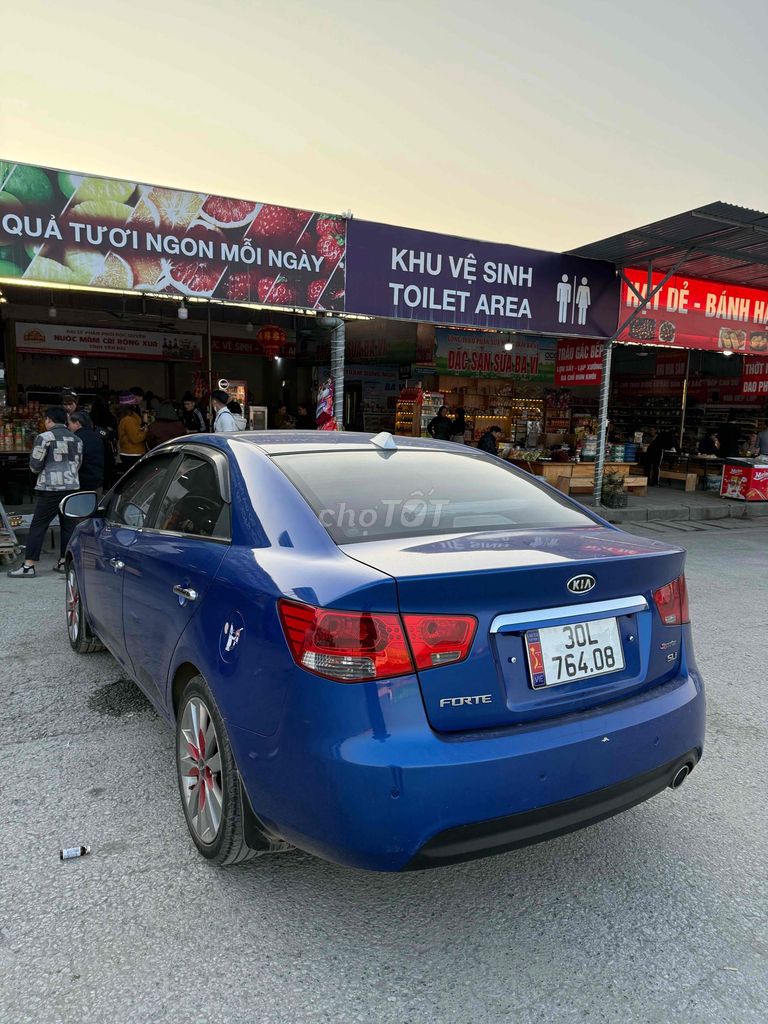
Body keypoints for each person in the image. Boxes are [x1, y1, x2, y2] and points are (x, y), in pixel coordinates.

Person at [7, 406, 82, 578]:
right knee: (68, 526)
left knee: (38, 526)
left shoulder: (44, 438)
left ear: (48, 419)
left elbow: (34, 466)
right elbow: (78, 463)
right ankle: (64, 561)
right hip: (71, 487)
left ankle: (29, 566)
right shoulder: (77, 439)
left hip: (50, 488)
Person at [67, 410, 105, 496]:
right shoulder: (97, 436)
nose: (68, 427)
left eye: (69, 424)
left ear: (77, 423)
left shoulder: (76, 439)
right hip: (97, 481)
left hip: (81, 483)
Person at [117, 393, 148, 470]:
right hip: (132, 454)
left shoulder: (126, 418)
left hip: (129, 452)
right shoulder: (129, 419)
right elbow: (135, 439)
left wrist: (139, 429)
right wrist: (145, 431)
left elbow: (131, 433)